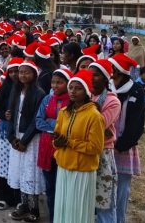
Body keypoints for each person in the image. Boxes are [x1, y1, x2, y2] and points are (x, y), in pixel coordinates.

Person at [52, 69, 105, 223]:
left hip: (82, 171)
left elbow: (96, 147)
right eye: (71, 87)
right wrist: (57, 142)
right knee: (63, 208)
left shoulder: (94, 116)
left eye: (78, 88)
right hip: (63, 167)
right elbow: (56, 139)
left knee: (77, 212)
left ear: (87, 91)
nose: (73, 91)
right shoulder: (63, 112)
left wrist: (69, 142)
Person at [3, 60, 47, 222]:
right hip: (16, 136)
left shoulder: (39, 93)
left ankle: (34, 208)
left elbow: (36, 120)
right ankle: (23, 205)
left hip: (31, 139)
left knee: (30, 171)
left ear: (34, 74)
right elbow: (11, 114)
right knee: (19, 170)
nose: (22, 75)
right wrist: (12, 138)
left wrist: (24, 141)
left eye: (26, 72)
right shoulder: (16, 90)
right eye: (20, 72)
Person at [108, 53, 145, 223]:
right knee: (105, 187)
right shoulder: (108, 87)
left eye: (112, 68)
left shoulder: (135, 91)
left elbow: (137, 125)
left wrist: (120, 145)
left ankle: (118, 219)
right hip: (105, 146)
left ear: (120, 71)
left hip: (122, 148)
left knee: (121, 190)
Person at [34, 68, 71, 221]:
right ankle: (52, 217)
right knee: (50, 187)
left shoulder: (73, 102)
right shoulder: (47, 99)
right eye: (53, 82)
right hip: (47, 148)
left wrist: (50, 123)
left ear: (68, 84)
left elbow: (71, 126)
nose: (55, 86)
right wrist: (57, 127)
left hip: (64, 149)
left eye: (60, 83)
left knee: (62, 187)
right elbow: (38, 122)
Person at [88, 59, 121, 223]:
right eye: (90, 74)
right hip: (85, 151)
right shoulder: (86, 95)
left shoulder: (112, 101)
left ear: (106, 78)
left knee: (104, 201)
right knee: (86, 200)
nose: (92, 78)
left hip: (103, 154)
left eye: (97, 75)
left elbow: (97, 126)